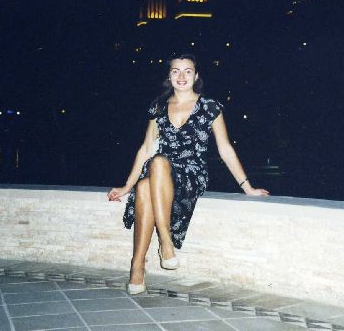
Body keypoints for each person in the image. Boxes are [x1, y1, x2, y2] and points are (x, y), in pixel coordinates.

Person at [107, 53, 269, 294]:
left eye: (187, 71)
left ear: (196, 76)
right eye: (176, 71)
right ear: (169, 76)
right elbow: (146, 148)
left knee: (158, 162)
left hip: (192, 172)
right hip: (159, 171)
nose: (181, 76)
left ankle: (164, 241)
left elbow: (225, 149)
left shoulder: (210, 107)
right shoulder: (159, 106)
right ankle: (138, 264)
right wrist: (126, 186)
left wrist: (248, 187)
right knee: (144, 183)